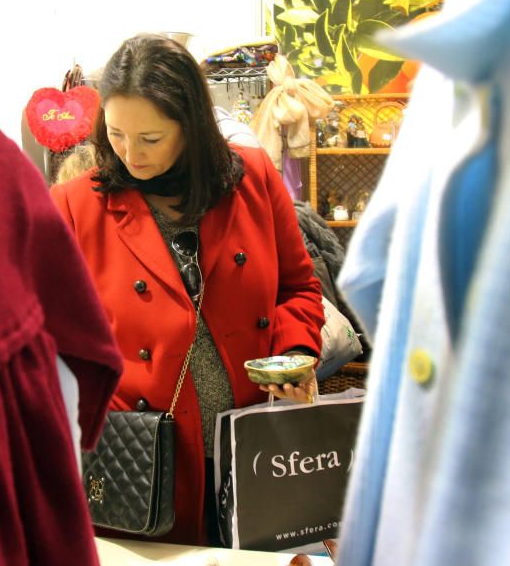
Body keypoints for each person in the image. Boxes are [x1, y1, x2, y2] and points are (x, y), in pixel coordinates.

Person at [50, 34, 324, 546]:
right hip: (142, 458)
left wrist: (293, 354)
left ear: (191, 128)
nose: (130, 154)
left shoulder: (253, 179)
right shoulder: (75, 206)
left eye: (150, 138)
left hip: (255, 442)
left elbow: (298, 288)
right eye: (116, 135)